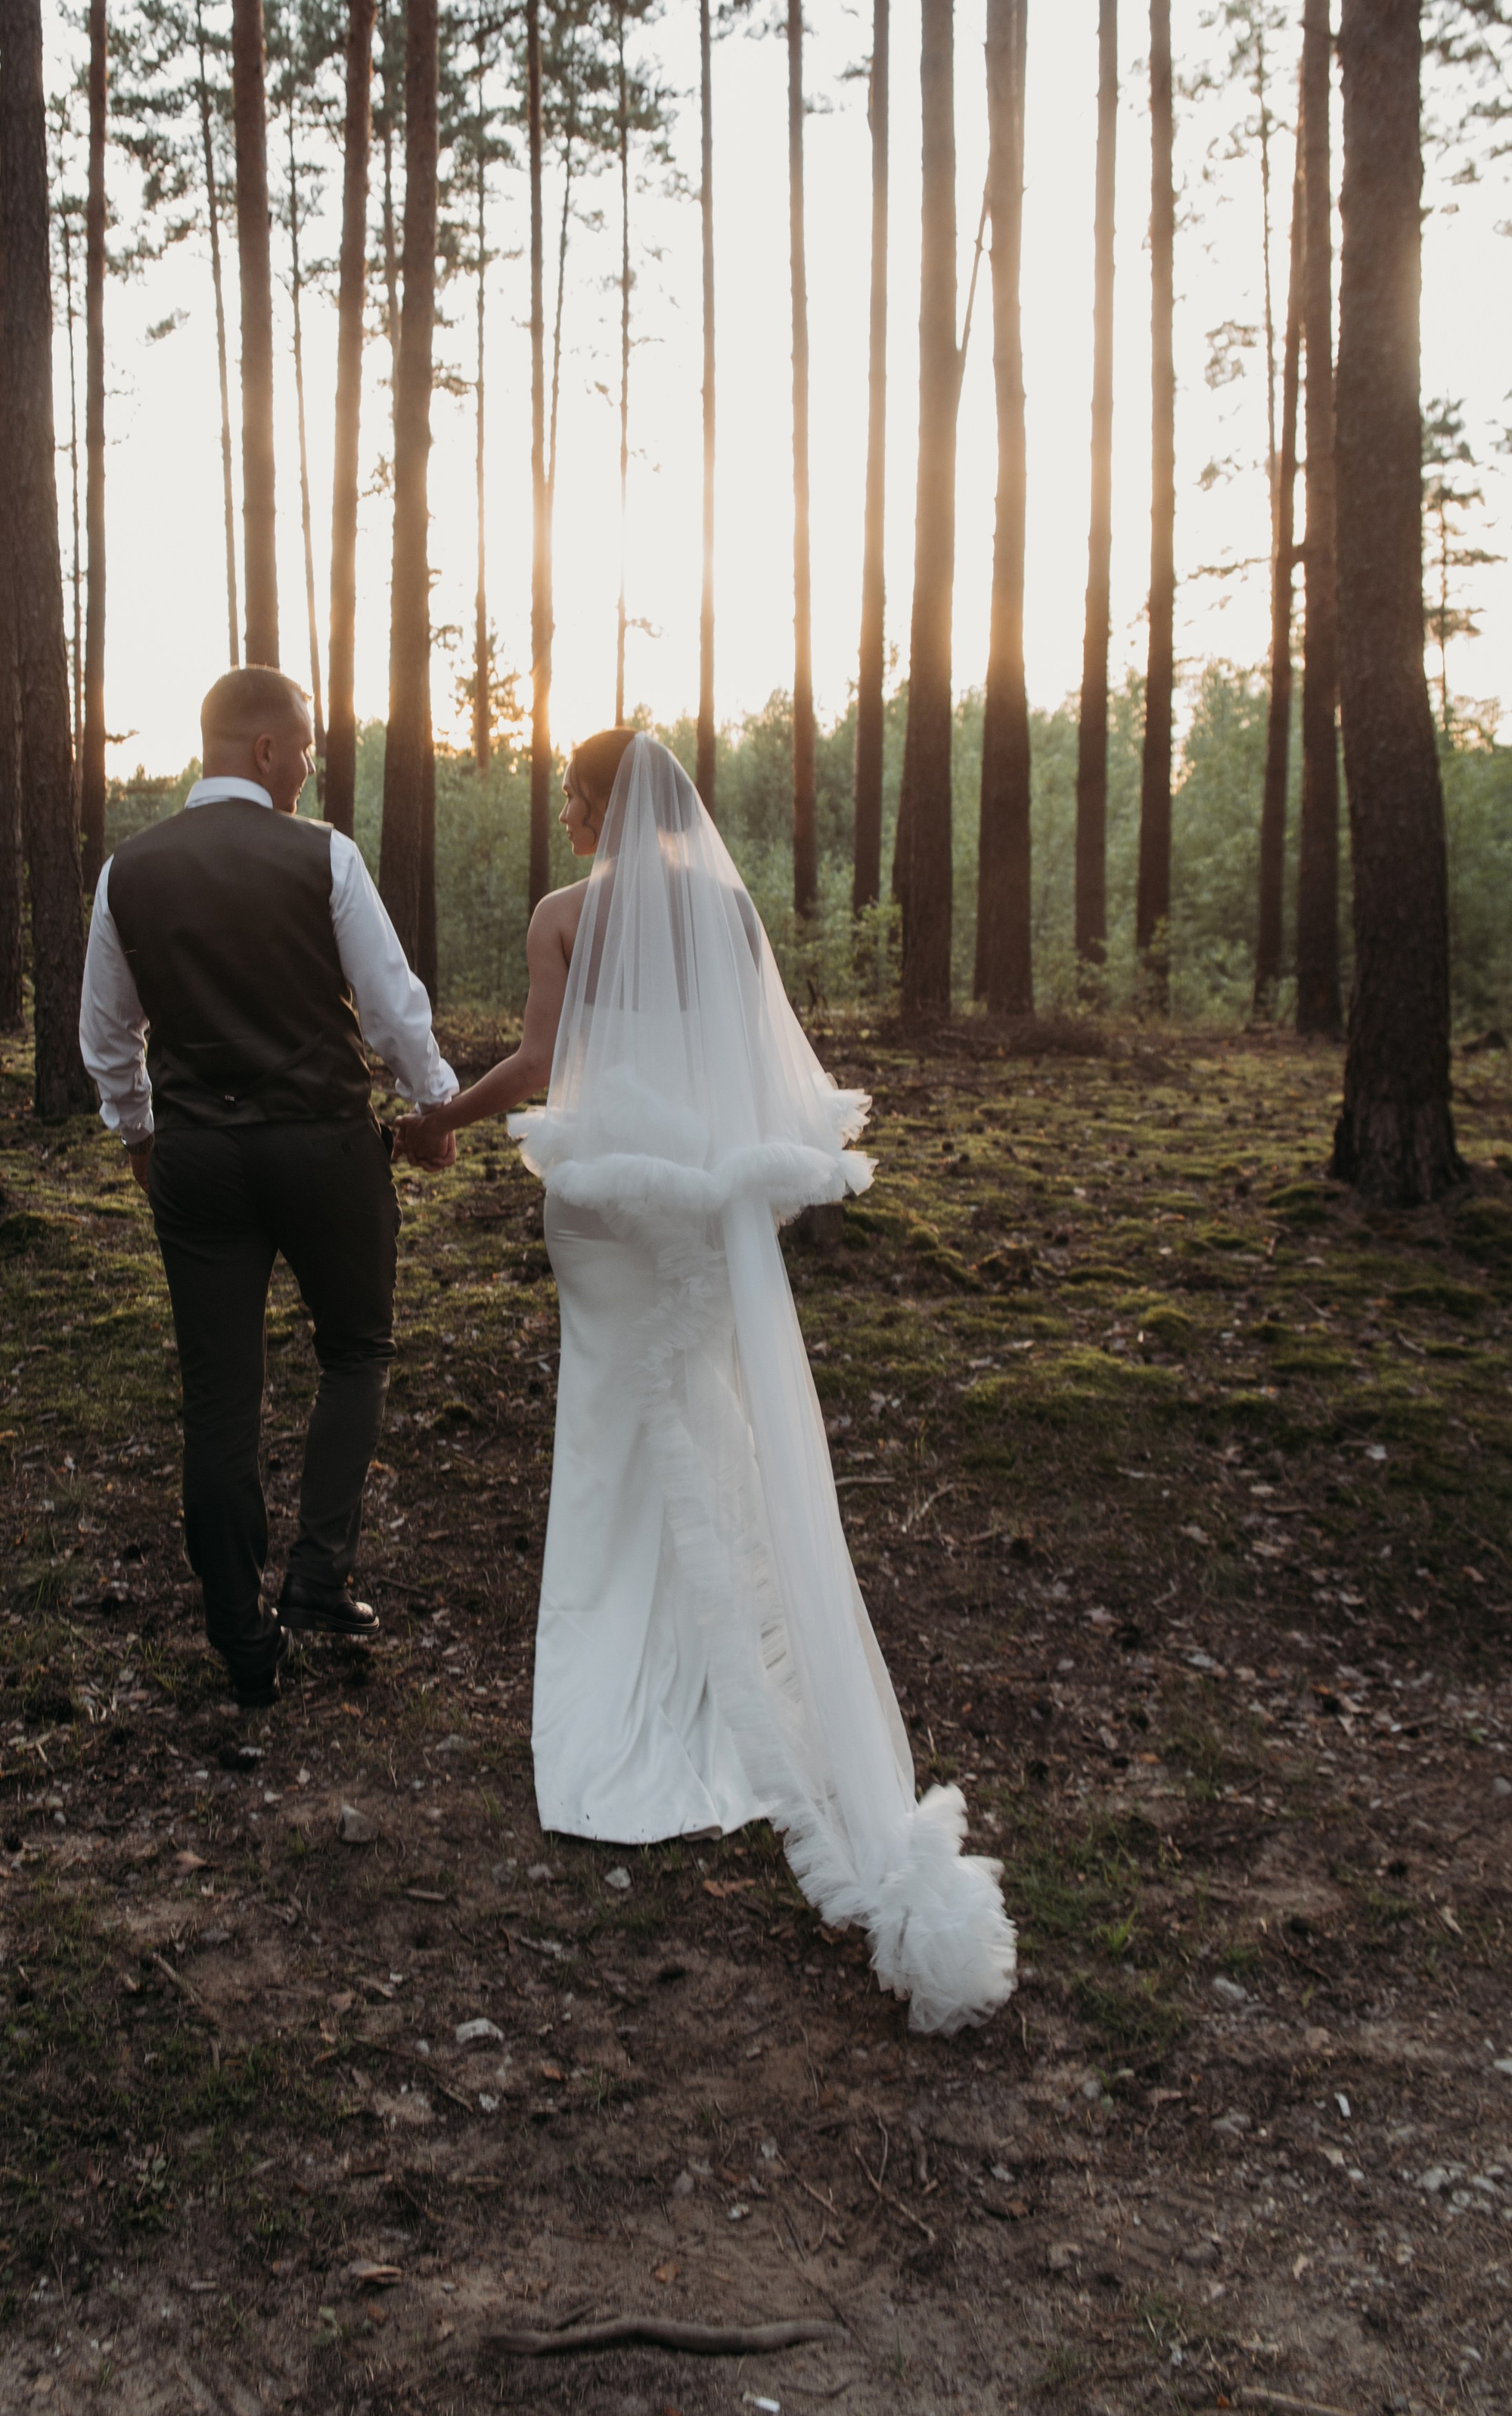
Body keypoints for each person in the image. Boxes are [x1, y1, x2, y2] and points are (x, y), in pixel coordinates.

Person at [399, 730, 1017, 2035]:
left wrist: (438, 1119)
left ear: (595, 806)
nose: (570, 819)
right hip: (698, 1204)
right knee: (709, 1416)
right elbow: (752, 1069)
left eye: (574, 800)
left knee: (614, 1428)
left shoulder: (566, 915)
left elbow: (541, 1068)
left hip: (605, 1204)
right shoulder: (728, 915)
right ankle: (713, 1662)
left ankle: (632, 1674)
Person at [80, 667, 458, 1706]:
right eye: (303, 748)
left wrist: (142, 1136)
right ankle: (320, 1578)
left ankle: (241, 1635)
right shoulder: (323, 855)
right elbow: (392, 1007)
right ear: (263, 750)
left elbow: (106, 1035)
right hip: (322, 1147)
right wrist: (433, 1106)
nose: (309, 766)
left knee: (219, 1398)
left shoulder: (127, 871)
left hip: (199, 1158)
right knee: (356, 1349)